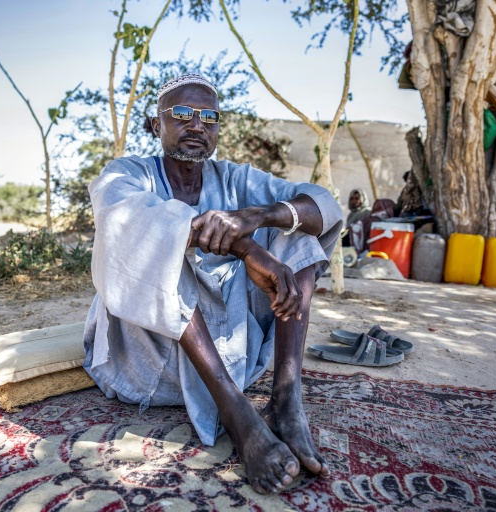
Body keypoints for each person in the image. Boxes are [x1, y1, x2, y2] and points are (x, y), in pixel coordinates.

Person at [82, 74, 343, 494]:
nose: (196, 125)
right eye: (182, 114)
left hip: (234, 345)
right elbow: (128, 224)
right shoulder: (125, 173)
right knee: (163, 239)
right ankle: (239, 416)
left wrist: (258, 216)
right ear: (155, 125)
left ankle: (286, 398)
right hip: (151, 359)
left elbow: (322, 204)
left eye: (209, 117)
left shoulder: (234, 178)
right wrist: (249, 250)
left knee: (299, 231)